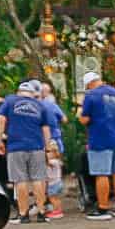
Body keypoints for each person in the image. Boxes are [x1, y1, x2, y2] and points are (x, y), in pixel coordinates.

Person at [0, 79, 58, 223]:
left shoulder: (10, 101)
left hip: (15, 146)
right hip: (36, 146)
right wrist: (47, 146)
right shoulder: (40, 105)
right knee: (38, 179)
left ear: (18, 92)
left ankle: (23, 215)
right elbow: (46, 128)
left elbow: (1, 119)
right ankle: (41, 212)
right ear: (32, 93)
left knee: (20, 180)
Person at [79, 70, 115, 220]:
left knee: (102, 174)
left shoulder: (91, 96)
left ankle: (103, 208)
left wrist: (79, 113)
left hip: (99, 139)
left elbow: (85, 119)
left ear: (88, 84)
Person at [39, 81, 67, 218]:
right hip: (56, 138)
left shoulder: (38, 106)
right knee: (55, 165)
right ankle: (49, 202)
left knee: (44, 171)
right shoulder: (53, 106)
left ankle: (45, 203)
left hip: (43, 139)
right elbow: (64, 119)